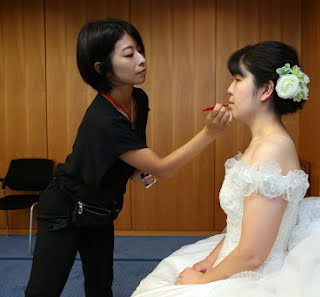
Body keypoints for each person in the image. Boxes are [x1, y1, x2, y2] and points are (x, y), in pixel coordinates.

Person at [131, 41, 320, 297]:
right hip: (237, 258)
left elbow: (253, 254)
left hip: (255, 272)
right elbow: (241, 224)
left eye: (238, 79)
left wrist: (204, 282)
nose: (229, 89)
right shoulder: (261, 143)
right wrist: (210, 260)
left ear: (265, 89)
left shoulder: (272, 149)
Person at [25, 18, 232, 297]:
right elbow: (163, 168)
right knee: (43, 291)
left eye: (140, 50)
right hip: (64, 210)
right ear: (102, 69)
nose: (142, 60)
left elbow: (128, 151)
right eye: (129, 54)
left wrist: (133, 171)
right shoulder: (104, 118)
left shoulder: (139, 99)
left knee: (101, 286)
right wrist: (210, 132)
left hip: (100, 210)